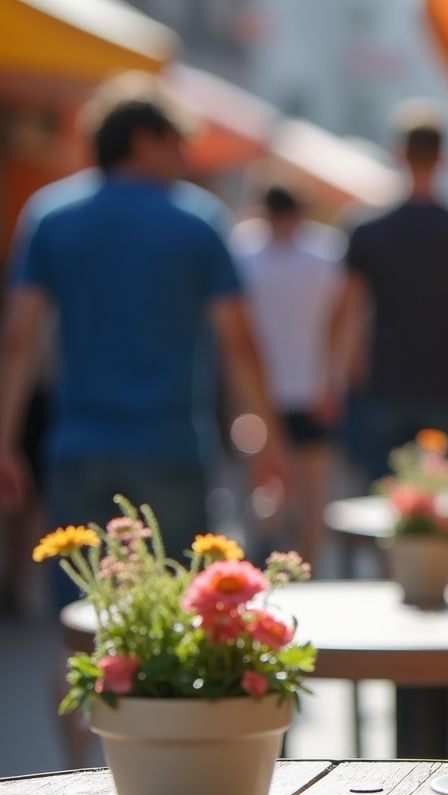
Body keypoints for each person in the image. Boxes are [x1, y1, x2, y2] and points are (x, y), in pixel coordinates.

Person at [0, 72, 288, 610]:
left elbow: (19, 337)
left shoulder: (49, 215)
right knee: (174, 623)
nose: (184, 158)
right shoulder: (198, 221)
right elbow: (239, 343)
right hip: (171, 446)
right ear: (144, 140)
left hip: (78, 447)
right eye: (177, 143)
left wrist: (5, 440)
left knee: (80, 625)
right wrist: (268, 442)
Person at [329, 114, 448, 481]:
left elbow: (346, 311)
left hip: (384, 385)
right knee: (439, 507)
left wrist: (339, 378)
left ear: (399, 154)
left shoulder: (366, 232)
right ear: (444, 159)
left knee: (381, 500)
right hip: (447, 386)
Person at [231, 185, 345, 563]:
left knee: (263, 487)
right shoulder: (326, 253)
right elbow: (341, 323)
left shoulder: (242, 254)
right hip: (312, 387)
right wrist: (333, 380)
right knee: (313, 491)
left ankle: (263, 562)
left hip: (256, 394)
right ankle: (306, 567)